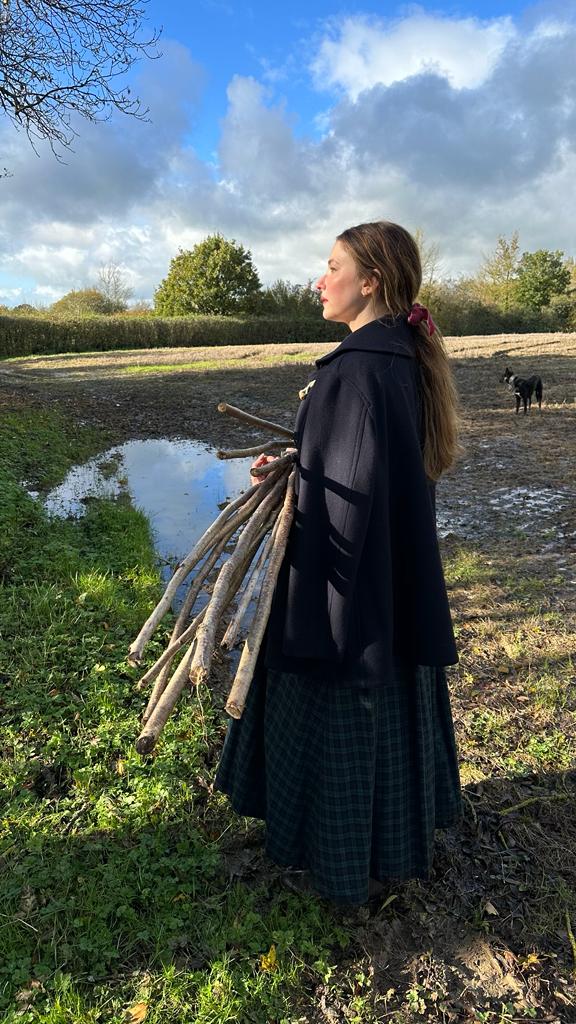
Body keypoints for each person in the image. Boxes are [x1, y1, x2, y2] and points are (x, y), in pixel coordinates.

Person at [215, 220, 461, 905]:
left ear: (371, 280)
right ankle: (391, 841)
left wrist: (322, 613)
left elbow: (349, 508)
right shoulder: (396, 360)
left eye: (331, 266)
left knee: (343, 717)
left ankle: (343, 863)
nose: (318, 280)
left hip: (349, 596)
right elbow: (357, 471)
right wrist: (292, 468)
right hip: (392, 587)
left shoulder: (358, 370)